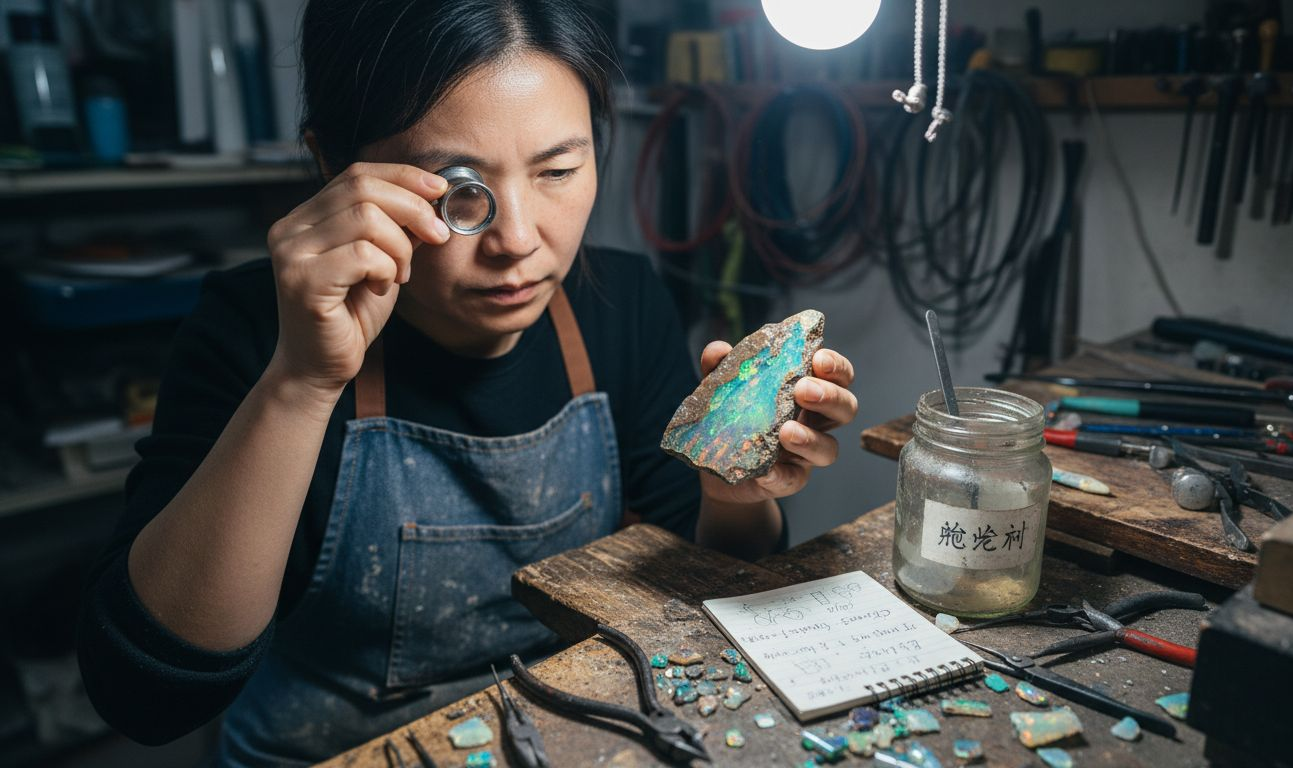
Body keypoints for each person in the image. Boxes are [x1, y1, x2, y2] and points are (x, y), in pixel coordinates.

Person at [76, 0, 859, 764]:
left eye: (558, 169)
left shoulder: (618, 302)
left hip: (575, 732)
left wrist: (734, 497)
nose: (519, 242)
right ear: (332, 167)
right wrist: (302, 382)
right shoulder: (253, 326)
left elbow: (713, 586)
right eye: (458, 190)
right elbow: (147, 701)